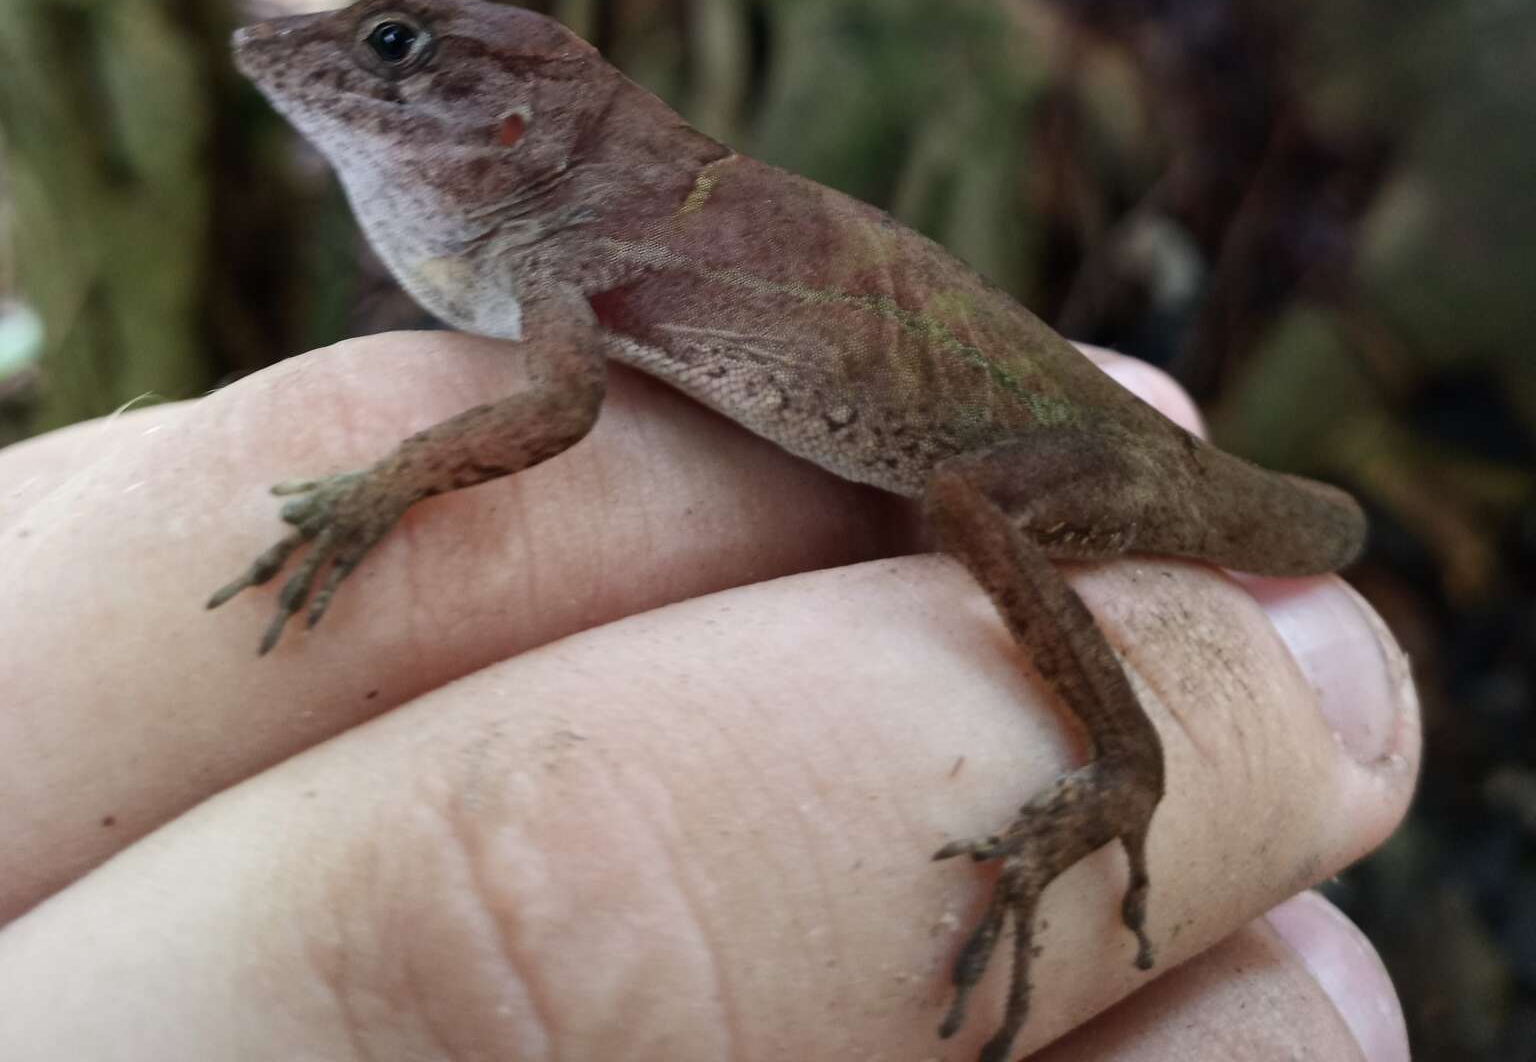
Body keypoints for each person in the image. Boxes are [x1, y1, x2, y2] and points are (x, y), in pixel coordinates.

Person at [0, 332, 1416, 1060]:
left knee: (970, 508)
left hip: (1074, 454)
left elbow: (559, 412)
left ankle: (1129, 765)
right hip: (1064, 427)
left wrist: (383, 485)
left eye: (401, 54)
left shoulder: (597, 209)